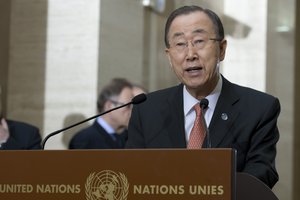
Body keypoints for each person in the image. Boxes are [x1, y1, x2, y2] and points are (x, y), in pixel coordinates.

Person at [126, 5, 280, 189]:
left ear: (222, 49)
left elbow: (262, 174)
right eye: (180, 44)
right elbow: (132, 174)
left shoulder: (259, 109)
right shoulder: (147, 109)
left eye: (199, 41)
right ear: (169, 56)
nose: (190, 54)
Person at [69, 78, 133, 149]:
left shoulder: (129, 137)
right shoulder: (84, 140)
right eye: (128, 106)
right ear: (109, 106)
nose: (131, 111)